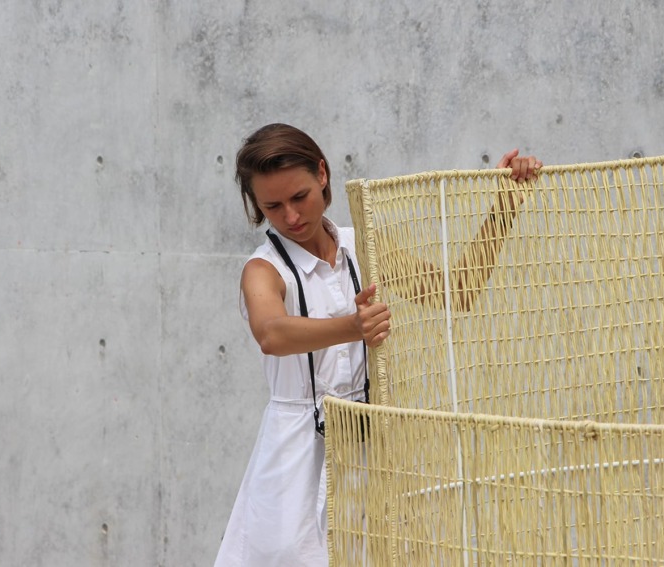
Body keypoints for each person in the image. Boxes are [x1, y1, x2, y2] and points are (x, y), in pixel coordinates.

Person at [215, 123, 541, 566]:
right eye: (272, 206)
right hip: (295, 451)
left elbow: (457, 291)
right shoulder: (264, 268)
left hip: (369, 446)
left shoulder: (359, 243)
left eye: (299, 197)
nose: (290, 216)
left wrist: (503, 207)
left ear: (323, 175)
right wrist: (353, 326)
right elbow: (271, 334)